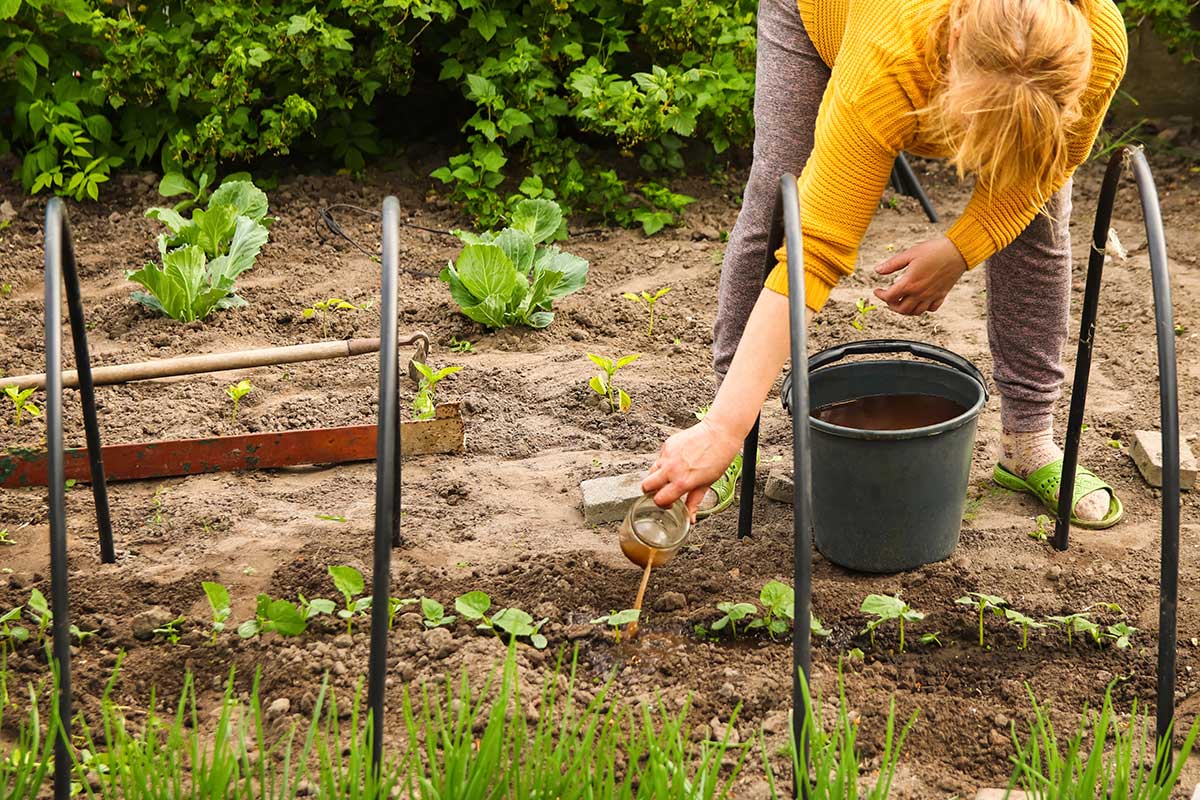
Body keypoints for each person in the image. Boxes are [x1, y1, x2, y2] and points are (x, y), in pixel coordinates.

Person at [643, 0, 1129, 529]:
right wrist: (724, 427)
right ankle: (728, 433)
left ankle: (1029, 441)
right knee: (780, 193)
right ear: (954, 39)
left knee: (1042, 218)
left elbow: (1035, 177)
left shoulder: (1097, 41)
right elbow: (817, 248)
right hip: (818, 15)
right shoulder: (892, 51)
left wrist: (961, 248)